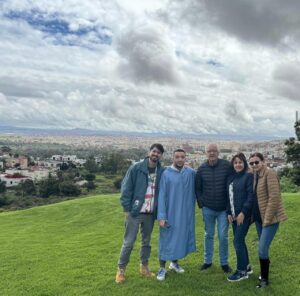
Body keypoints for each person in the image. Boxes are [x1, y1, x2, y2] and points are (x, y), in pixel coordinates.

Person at [115, 143, 165, 284]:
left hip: (150, 213)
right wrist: (126, 209)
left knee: (146, 242)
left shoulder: (161, 171)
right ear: (149, 152)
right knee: (129, 242)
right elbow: (126, 189)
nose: (156, 154)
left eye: (159, 153)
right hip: (135, 212)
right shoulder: (136, 168)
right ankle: (121, 270)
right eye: (154, 151)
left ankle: (144, 267)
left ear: (161, 156)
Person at [249, 152, 288, 289]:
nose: (254, 165)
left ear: (263, 161)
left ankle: (264, 280)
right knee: (263, 248)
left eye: (256, 162)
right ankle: (264, 272)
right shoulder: (256, 175)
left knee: (262, 249)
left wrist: (267, 219)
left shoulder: (269, 173)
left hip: (270, 219)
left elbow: (274, 198)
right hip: (260, 218)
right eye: (252, 163)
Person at [156, 149, 196, 281]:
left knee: (178, 238)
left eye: (182, 157)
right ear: (173, 158)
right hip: (169, 213)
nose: (180, 159)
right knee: (166, 239)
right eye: (177, 157)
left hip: (184, 214)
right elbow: (161, 196)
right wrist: (161, 216)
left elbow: (204, 178)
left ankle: (174, 263)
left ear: (185, 158)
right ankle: (162, 268)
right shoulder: (166, 174)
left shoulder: (190, 173)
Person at [195, 143, 232, 273]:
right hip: (208, 208)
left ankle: (224, 262)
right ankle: (207, 261)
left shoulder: (227, 166)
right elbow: (198, 189)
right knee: (208, 235)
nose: (212, 153)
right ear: (205, 153)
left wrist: (229, 208)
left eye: (214, 151)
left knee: (223, 236)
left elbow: (232, 185)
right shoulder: (201, 169)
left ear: (218, 152)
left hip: (223, 209)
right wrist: (201, 203)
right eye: (209, 151)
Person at [226, 153, 254, 282]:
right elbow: (228, 197)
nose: (238, 164)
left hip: (244, 216)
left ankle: (241, 271)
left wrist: (243, 212)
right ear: (233, 164)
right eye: (235, 162)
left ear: (244, 164)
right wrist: (228, 213)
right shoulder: (231, 178)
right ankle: (247, 267)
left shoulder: (248, 177)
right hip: (234, 216)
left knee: (237, 241)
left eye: (240, 162)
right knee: (240, 241)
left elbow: (250, 197)